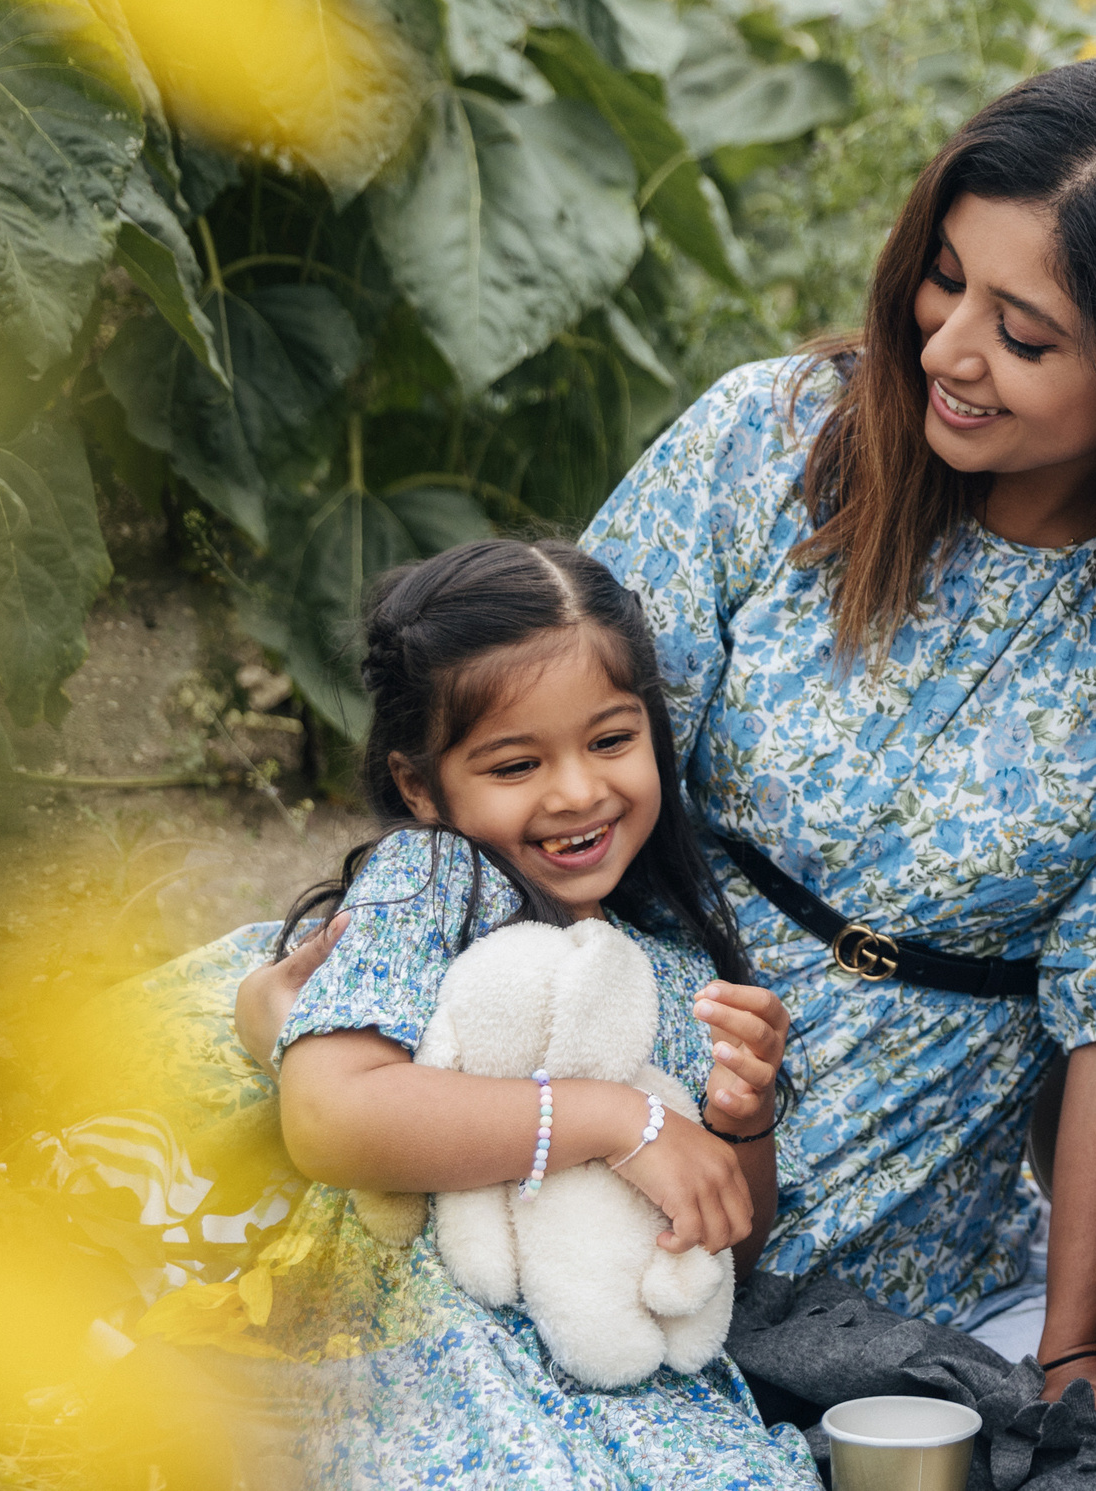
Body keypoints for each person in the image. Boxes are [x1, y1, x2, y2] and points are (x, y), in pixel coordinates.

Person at [247, 51, 1096, 1432]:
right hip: (596, 1000)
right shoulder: (781, 435)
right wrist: (377, 996)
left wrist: (1073, 1344)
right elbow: (552, 729)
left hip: (896, 1134)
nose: (945, 350)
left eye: (1027, 334)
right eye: (944, 277)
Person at [250, 537, 818, 1489]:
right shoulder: (434, 885)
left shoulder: (667, 967)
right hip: (422, 1353)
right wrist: (609, 1119)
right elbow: (328, 1116)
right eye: (516, 764)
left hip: (626, 1380)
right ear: (421, 786)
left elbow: (727, 1241)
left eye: (610, 740)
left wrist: (740, 1119)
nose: (578, 791)